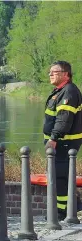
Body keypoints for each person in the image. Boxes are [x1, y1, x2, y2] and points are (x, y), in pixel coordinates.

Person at [43, 61, 82, 220]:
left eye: (55, 71)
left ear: (66, 74)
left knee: (60, 176)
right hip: (60, 142)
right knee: (61, 175)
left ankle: (61, 212)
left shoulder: (69, 92)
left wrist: (54, 138)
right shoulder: (60, 91)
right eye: (50, 72)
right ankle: (74, 206)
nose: (51, 74)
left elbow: (64, 119)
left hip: (64, 143)